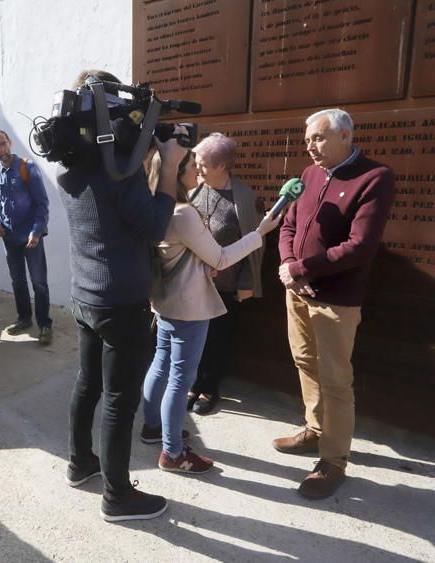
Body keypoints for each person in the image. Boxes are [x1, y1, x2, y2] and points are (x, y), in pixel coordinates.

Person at [57, 69, 177, 522]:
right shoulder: (119, 176)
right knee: (119, 401)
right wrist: (166, 169)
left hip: (86, 296)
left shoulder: (73, 167)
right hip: (121, 303)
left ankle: (80, 462)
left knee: (88, 382)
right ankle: (117, 496)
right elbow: (153, 226)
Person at [274, 108, 394, 499]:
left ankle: (333, 459)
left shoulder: (374, 177)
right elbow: (289, 224)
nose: (310, 146)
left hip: (336, 300)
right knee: (305, 363)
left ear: (345, 136)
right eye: (308, 139)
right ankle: (315, 430)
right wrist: (291, 266)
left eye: (319, 138)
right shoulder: (309, 175)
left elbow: (360, 247)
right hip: (298, 289)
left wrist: (304, 269)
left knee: (336, 380)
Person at [141, 144, 281, 474]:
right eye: (191, 165)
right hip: (189, 307)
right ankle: (173, 454)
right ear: (176, 173)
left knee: (160, 365)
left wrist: (202, 265)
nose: (196, 171)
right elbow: (219, 257)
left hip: (165, 301)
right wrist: (259, 233)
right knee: (179, 378)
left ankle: (152, 428)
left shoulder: (155, 207)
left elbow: (178, 254)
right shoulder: (183, 211)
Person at [186, 133, 265, 415]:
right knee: (195, 336)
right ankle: (193, 384)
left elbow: (255, 243)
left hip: (226, 285)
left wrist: (246, 282)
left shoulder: (242, 198)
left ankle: (210, 387)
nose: (197, 169)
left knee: (218, 338)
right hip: (193, 282)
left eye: (203, 164)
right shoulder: (195, 189)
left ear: (222, 166)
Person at [0, 129, 53, 345]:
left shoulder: (27, 168)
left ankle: (44, 324)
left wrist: (36, 231)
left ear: (10, 143)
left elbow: (42, 203)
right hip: (9, 238)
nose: (0, 148)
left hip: (31, 238)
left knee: (39, 282)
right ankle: (24, 319)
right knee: (18, 281)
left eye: (3, 143)